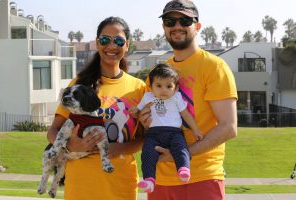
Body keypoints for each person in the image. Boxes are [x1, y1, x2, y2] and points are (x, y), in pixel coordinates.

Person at [139, 0, 238, 199]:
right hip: (161, 178)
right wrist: (144, 122)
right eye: (170, 21)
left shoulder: (214, 67)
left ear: (197, 26)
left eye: (184, 20)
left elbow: (229, 127)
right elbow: (149, 121)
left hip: (201, 176)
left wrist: (182, 154)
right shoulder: (159, 73)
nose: (177, 26)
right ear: (164, 28)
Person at [47, 16, 145, 200]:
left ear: (127, 45)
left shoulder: (139, 88)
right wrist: (69, 146)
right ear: (97, 43)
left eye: (118, 41)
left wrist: (121, 149)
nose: (111, 46)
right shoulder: (79, 84)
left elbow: (144, 138)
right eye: (105, 40)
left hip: (121, 187)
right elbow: (53, 130)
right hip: (81, 188)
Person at [129, 63, 203, 193]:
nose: (164, 90)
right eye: (158, 86)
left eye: (169, 86)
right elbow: (139, 110)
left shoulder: (176, 97)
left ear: (176, 88)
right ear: (150, 87)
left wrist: (195, 129)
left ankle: (184, 169)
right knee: (147, 154)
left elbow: (185, 114)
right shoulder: (148, 97)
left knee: (181, 148)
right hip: (153, 134)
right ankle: (149, 180)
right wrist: (134, 111)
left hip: (174, 132)